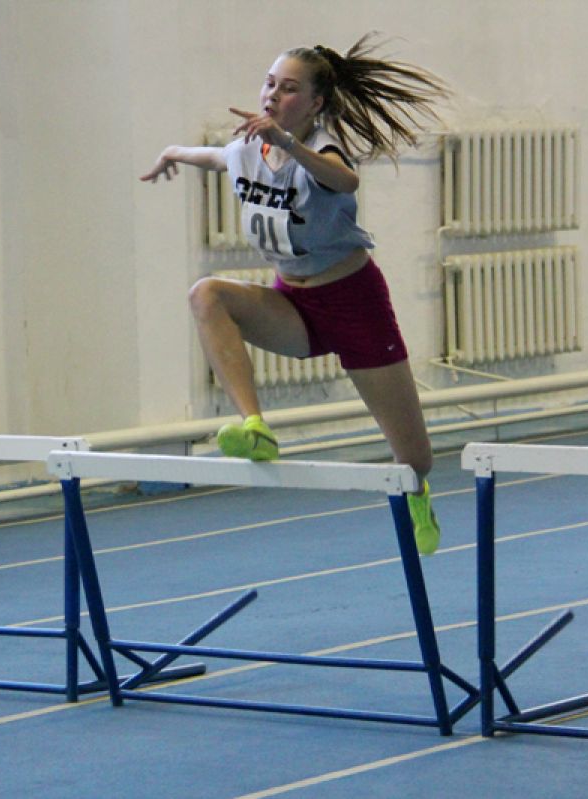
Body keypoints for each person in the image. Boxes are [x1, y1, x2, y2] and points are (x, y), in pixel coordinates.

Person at [138, 34, 447, 554]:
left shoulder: (321, 148)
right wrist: (174, 152)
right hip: (294, 306)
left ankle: (418, 497)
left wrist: (289, 144)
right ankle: (255, 426)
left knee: (414, 460)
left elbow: (345, 181)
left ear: (315, 102)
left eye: (288, 89)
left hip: (354, 304)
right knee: (207, 294)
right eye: (269, 84)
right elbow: (216, 157)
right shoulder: (247, 149)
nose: (272, 95)